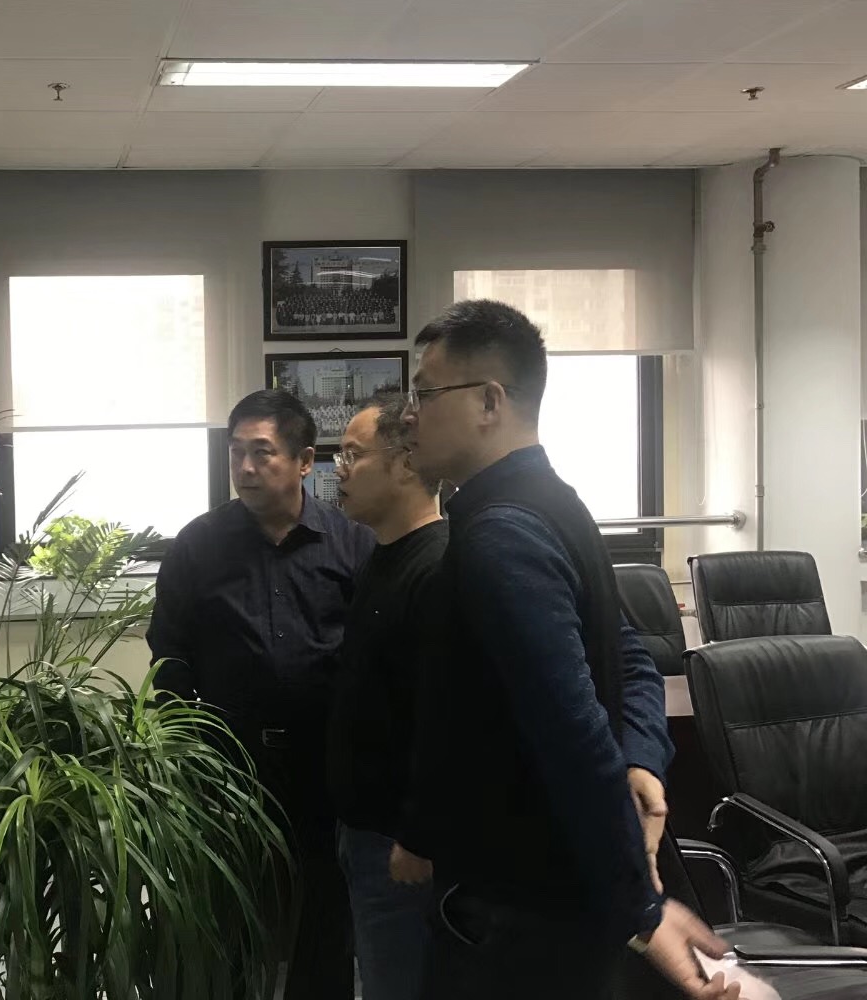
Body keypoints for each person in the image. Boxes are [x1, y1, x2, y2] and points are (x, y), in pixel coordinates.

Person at [399, 300, 740, 1000]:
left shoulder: (500, 535)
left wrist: (642, 908)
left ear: (489, 402)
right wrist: (642, 758)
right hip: (558, 904)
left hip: (522, 917)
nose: (409, 415)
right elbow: (633, 658)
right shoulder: (555, 502)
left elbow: (571, 730)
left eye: (425, 394)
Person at [146, 389, 374, 1000]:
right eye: (236, 453)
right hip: (231, 768)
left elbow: (374, 658)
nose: (245, 468)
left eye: (262, 452)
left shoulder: (353, 544)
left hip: (327, 767)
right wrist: (187, 758)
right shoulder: (197, 546)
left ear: (304, 461)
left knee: (326, 921)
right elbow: (170, 655)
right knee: (235, 918)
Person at [326, 389, 446, 1000]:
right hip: (366, 831)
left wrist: (417, 834)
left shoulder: (438, 567)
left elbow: (444, 719)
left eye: (353, 455)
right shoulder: (382, 556)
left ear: (405, 463)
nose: (339, 470)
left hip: (401, 848)